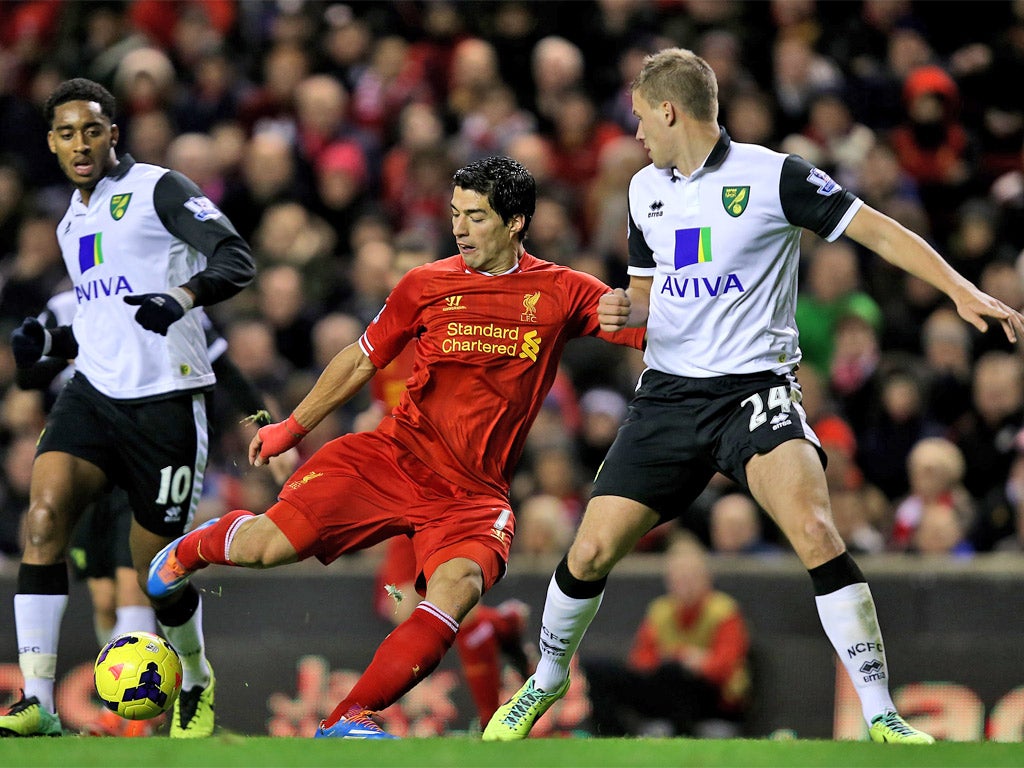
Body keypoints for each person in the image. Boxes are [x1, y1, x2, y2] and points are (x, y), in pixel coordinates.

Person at [483, 47, 1024, 746]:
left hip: (754, 390)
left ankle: (883, 713)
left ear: (670, 110)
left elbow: (874, 229)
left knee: (815, 531)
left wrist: (959, 288)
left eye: (643, 116)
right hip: (669, 398)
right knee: (587, 554)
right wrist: (624, 309)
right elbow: (646, 294)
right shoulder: (644, 189)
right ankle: (546, 680)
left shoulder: (774, 176)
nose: (637, 132)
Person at [146, 155, 646, 739]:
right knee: (268, 548)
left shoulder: (561, 290)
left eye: (476, 217)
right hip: (389, 459)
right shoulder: (425, 285)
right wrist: (293, 428)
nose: (459, 228)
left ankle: (346, 718)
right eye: (455, 214)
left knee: (455, 592)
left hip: (472, 495)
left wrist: (631, 312)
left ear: (516, 223)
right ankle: (189, 550)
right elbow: (362, 357)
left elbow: (646, 326)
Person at [0, 78, 255, 738]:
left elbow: (237, 257)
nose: (80, 144)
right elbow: (101, 318)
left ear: (114, 133)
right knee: (43, 516)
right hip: (94, 394)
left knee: (157, 574)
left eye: (92, 129)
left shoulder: (159, 189)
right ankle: (38, 702)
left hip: (166, 400)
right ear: (52, 143)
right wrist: (54, 341)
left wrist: (184, 297)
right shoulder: (69, 221)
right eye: (65, 133)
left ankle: (196, 676)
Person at [584, 534, 751, 737]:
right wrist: (684, 657)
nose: (685, 585)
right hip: (667, 688)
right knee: (597, 669)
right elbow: (641, 662)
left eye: (691, 578)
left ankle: (683, 733)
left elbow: (726, 666)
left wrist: (688, 663)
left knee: (675, 673)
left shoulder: (724, 611)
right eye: (678, 579)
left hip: (713, 700)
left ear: (707, 579)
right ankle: (613, 737)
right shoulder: (660, 611)